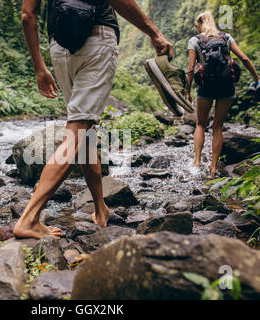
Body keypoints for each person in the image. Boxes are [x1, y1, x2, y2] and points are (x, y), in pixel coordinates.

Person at [13, 0, 174, 239]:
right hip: (97, 39)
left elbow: (28, 16)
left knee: (84, 132)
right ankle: (29, 218)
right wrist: (154, 33)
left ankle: (100, 208)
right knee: (78, 132)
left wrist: (39, 68)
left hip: (60, 46)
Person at [186, 11, 260, 174]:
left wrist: (187, 92)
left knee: (200, 124)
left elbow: (191, 69)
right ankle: (213, 167)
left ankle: (197, 162)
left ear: (199, 24)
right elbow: (244, 58)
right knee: (218, 127)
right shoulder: (226, 37)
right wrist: (257, 79)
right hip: (227, 86)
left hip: (206, 86)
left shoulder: (194, 40)